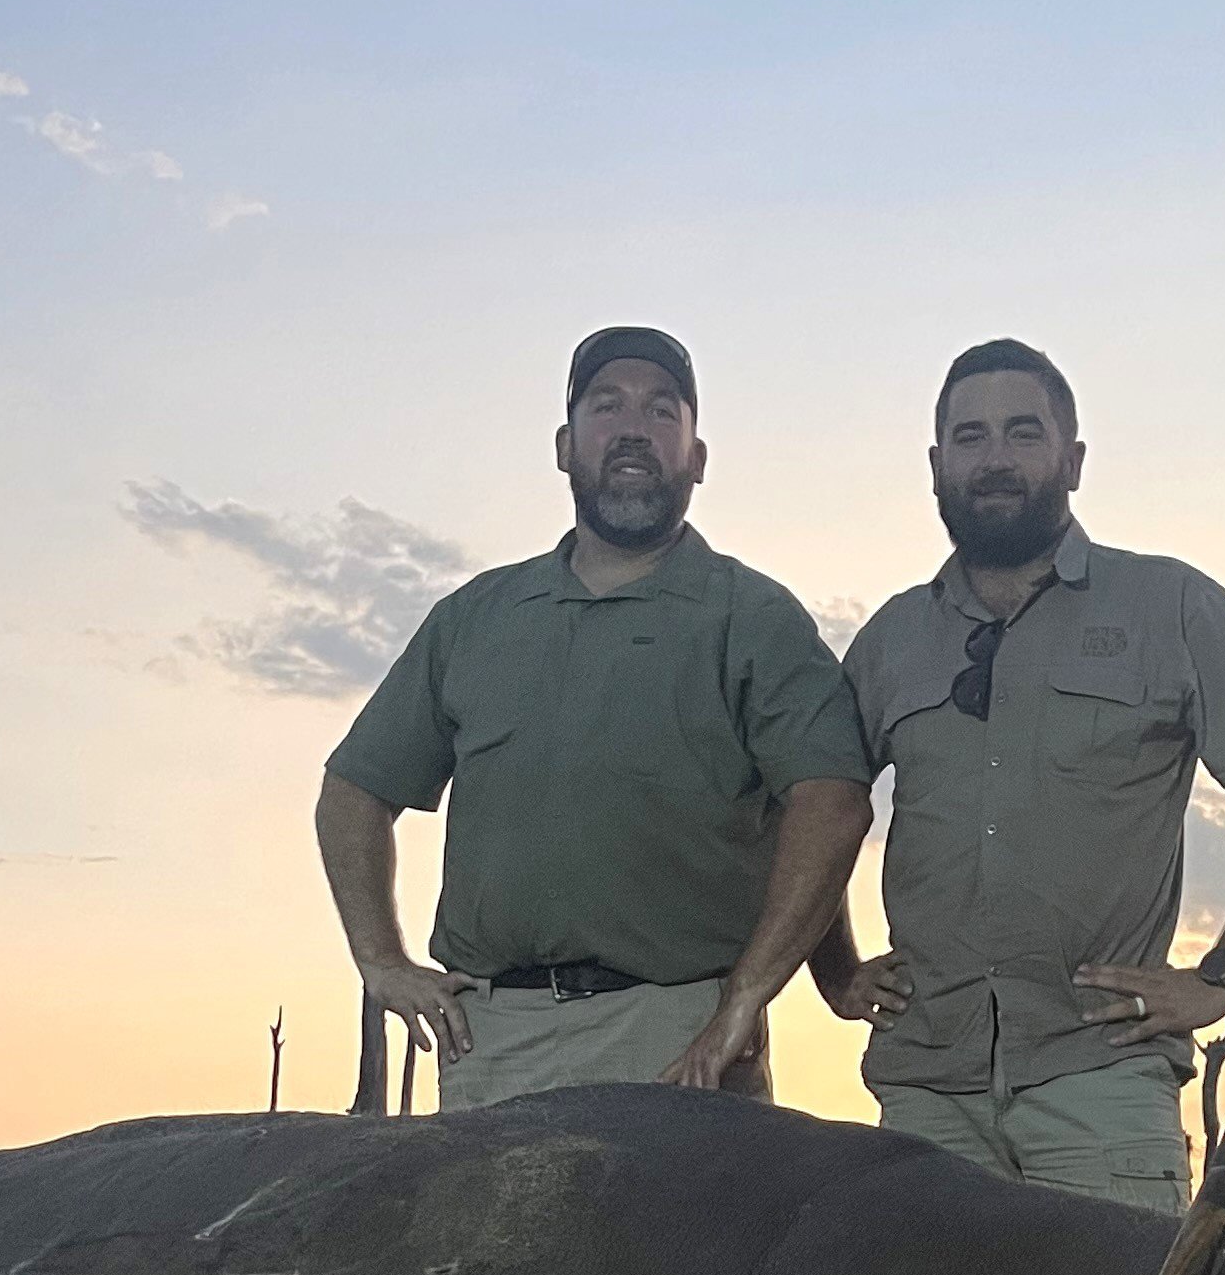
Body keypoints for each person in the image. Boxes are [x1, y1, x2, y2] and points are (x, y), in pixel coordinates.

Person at [832, 339, 1225, 1207]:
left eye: (1023, 434)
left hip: (1100, 1081)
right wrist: (836, 970)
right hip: (927, 1090)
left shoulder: (1169, 605)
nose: (995, 459)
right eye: (970, 438)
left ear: (1072, 460)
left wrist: (1223, 975)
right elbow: (815, 805)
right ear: (935, 466)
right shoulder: (889, 640)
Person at [316, 327, 874, 1108]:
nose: (634, 427)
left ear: (697, 456)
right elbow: (353, 790)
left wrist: (744, 1000)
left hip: (680, 1037)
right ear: (565, 444)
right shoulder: (474, 619)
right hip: (489, 1044)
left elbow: (832, 803)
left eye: (662, 411)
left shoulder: (753, 618)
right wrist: (381, 960)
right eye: (606, 406)